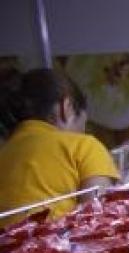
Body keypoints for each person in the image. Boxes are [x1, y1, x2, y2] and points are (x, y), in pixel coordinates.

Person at [0, 68, 118, 226]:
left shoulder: (4, 153)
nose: (81, 133)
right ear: (66, 107)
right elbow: (100, 223)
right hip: (52, 248)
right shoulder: (84, 146)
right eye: (82, 126)